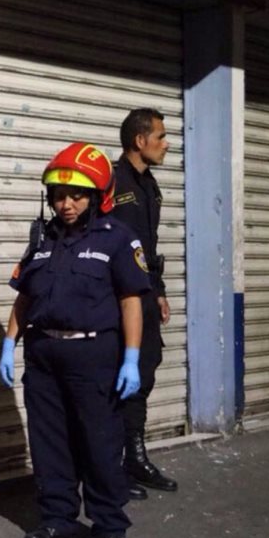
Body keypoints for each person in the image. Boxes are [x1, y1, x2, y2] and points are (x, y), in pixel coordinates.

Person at [0, 142, 151, 538]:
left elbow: (131, 300)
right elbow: (25, 297)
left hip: (93, 354)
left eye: (76, 195)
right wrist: (10, 343)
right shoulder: (43, 240)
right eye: (59, 196)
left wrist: (131, 358)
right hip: (44, 354)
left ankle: (109, 528)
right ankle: (57, 519)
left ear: (97, 195)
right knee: (49, 444)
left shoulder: (117, 239)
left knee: (100, 444)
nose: (66, 204)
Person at [111, 108, 177, 498]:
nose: (166, 144)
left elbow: (148, 248)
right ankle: (110, 466)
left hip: (146, 293)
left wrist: (160, 289)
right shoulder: (111, 181)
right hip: (118, 299)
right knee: (114, 379)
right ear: (140, 141)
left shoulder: (149, 185)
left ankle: (134, 458)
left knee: (145, 373)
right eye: (161, 136)